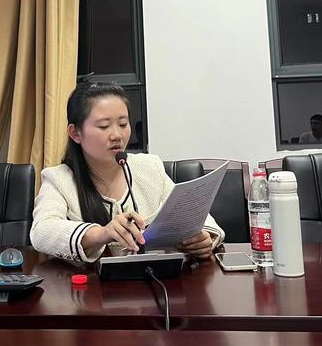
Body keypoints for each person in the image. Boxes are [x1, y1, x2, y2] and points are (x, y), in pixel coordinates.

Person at [30, 83, 225, 262]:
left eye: (123, 124)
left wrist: (204, 238)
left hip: (152, 282)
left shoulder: (149, 167)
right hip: (90, 286)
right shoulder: (59, 179)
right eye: (104, 126)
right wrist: (101, 233)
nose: (117, 135)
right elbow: (41, 231)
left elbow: (189, 214)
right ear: (75, 133)